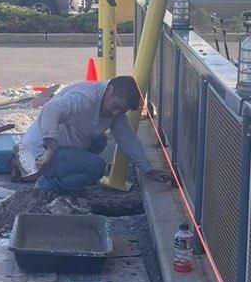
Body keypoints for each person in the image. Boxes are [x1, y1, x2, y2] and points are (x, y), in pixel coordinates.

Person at [19, 74, 171, 193]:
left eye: (121, 111)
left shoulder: (113, 111)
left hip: (61, 146)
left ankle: (64, 174)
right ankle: (48, 185)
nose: (115, 112)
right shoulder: (84, 98)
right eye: (116, 106)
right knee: (96, 167)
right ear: (110, 90)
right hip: (40, 152)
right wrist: (50, 148)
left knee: (100, 140)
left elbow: (128, 139)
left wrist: (148, 170)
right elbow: (50, 109)